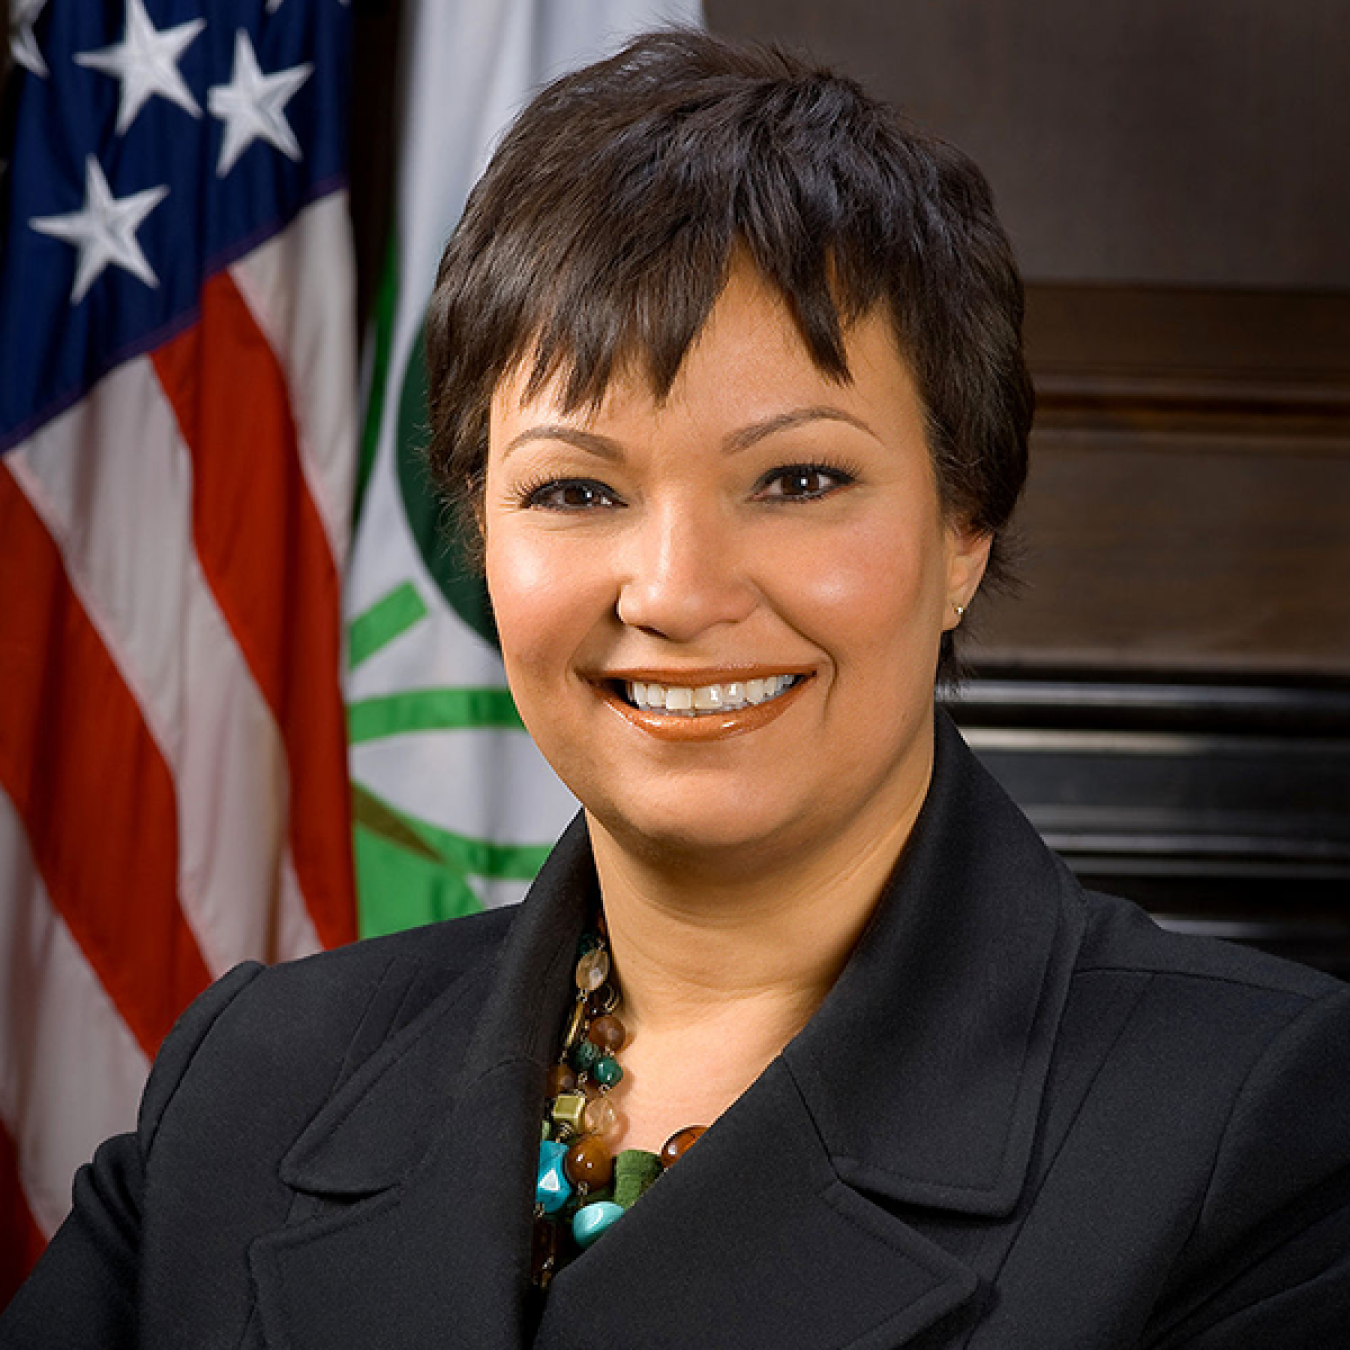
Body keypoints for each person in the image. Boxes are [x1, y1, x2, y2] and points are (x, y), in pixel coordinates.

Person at [4, 29, 1349, 1350]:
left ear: (963, 527)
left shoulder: (1261, 1120)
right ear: (480, 536)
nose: (672, 590)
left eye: (797, 480)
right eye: (576, 488)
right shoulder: (251, 1078)